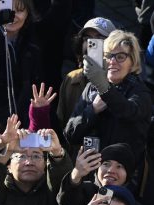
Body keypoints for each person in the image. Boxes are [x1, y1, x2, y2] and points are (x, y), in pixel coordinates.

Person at [64, 29, 152, 172]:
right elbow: (70, 134)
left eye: (120, 57)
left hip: (124, 175)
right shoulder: (91, 88)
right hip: (90, 171)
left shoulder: (140, 92)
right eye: (108, 56)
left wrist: (105, 89)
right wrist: (92, 110)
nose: (112, 61)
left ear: (132, 61)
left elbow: (128, 111)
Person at [56, 142, 150, 205]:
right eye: (106, 164)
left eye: (119, 166)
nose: (110, 170)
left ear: (128, 174)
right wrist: (76, 174)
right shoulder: (83, 191)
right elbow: (65, 203)